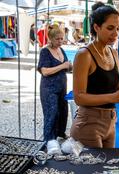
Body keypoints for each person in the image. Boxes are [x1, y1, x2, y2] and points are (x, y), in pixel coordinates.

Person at [71, 2, 119, 148]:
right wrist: (113, 97)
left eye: (118, 29)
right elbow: (79, 97)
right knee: (93, 169)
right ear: (96, 27)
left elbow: (116, 87)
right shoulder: (84, 55)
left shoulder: (112, 53)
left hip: (111, 122)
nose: (116, 34)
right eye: (110, 28)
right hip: (89, 123)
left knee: (108, 169)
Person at [37, 24, 72, 153]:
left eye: (62, 38)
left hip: (62, 86)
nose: (60, 41)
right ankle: (48, 140)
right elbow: (44, 71)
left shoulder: (61, 50)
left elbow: (66, 66)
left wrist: (69, 66)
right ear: (50, 39)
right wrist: (63, 66)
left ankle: (59, 134)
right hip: (49, 88)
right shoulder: (45, 51)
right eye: (57, 39)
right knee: (51, 114)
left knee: (62, 112)